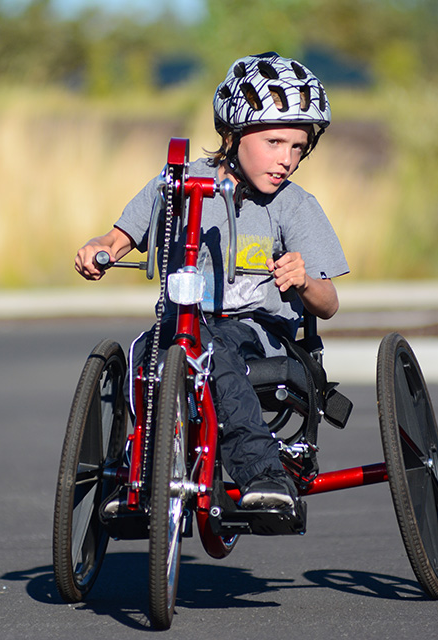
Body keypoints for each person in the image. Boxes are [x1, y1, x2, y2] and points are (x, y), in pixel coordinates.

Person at [74, 52, 349, 513]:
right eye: (275, 142)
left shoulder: (294, 205)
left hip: (257, 335)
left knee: (212, 350)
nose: (287, 160)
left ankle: (264, 474)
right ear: (232, 135)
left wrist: (303, 281)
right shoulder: (177, 183)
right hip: (184, 325)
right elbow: (119, 237)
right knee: (146, 352)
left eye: (298, 148)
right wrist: (99, 250)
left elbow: (328, 304)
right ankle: (138, 474)